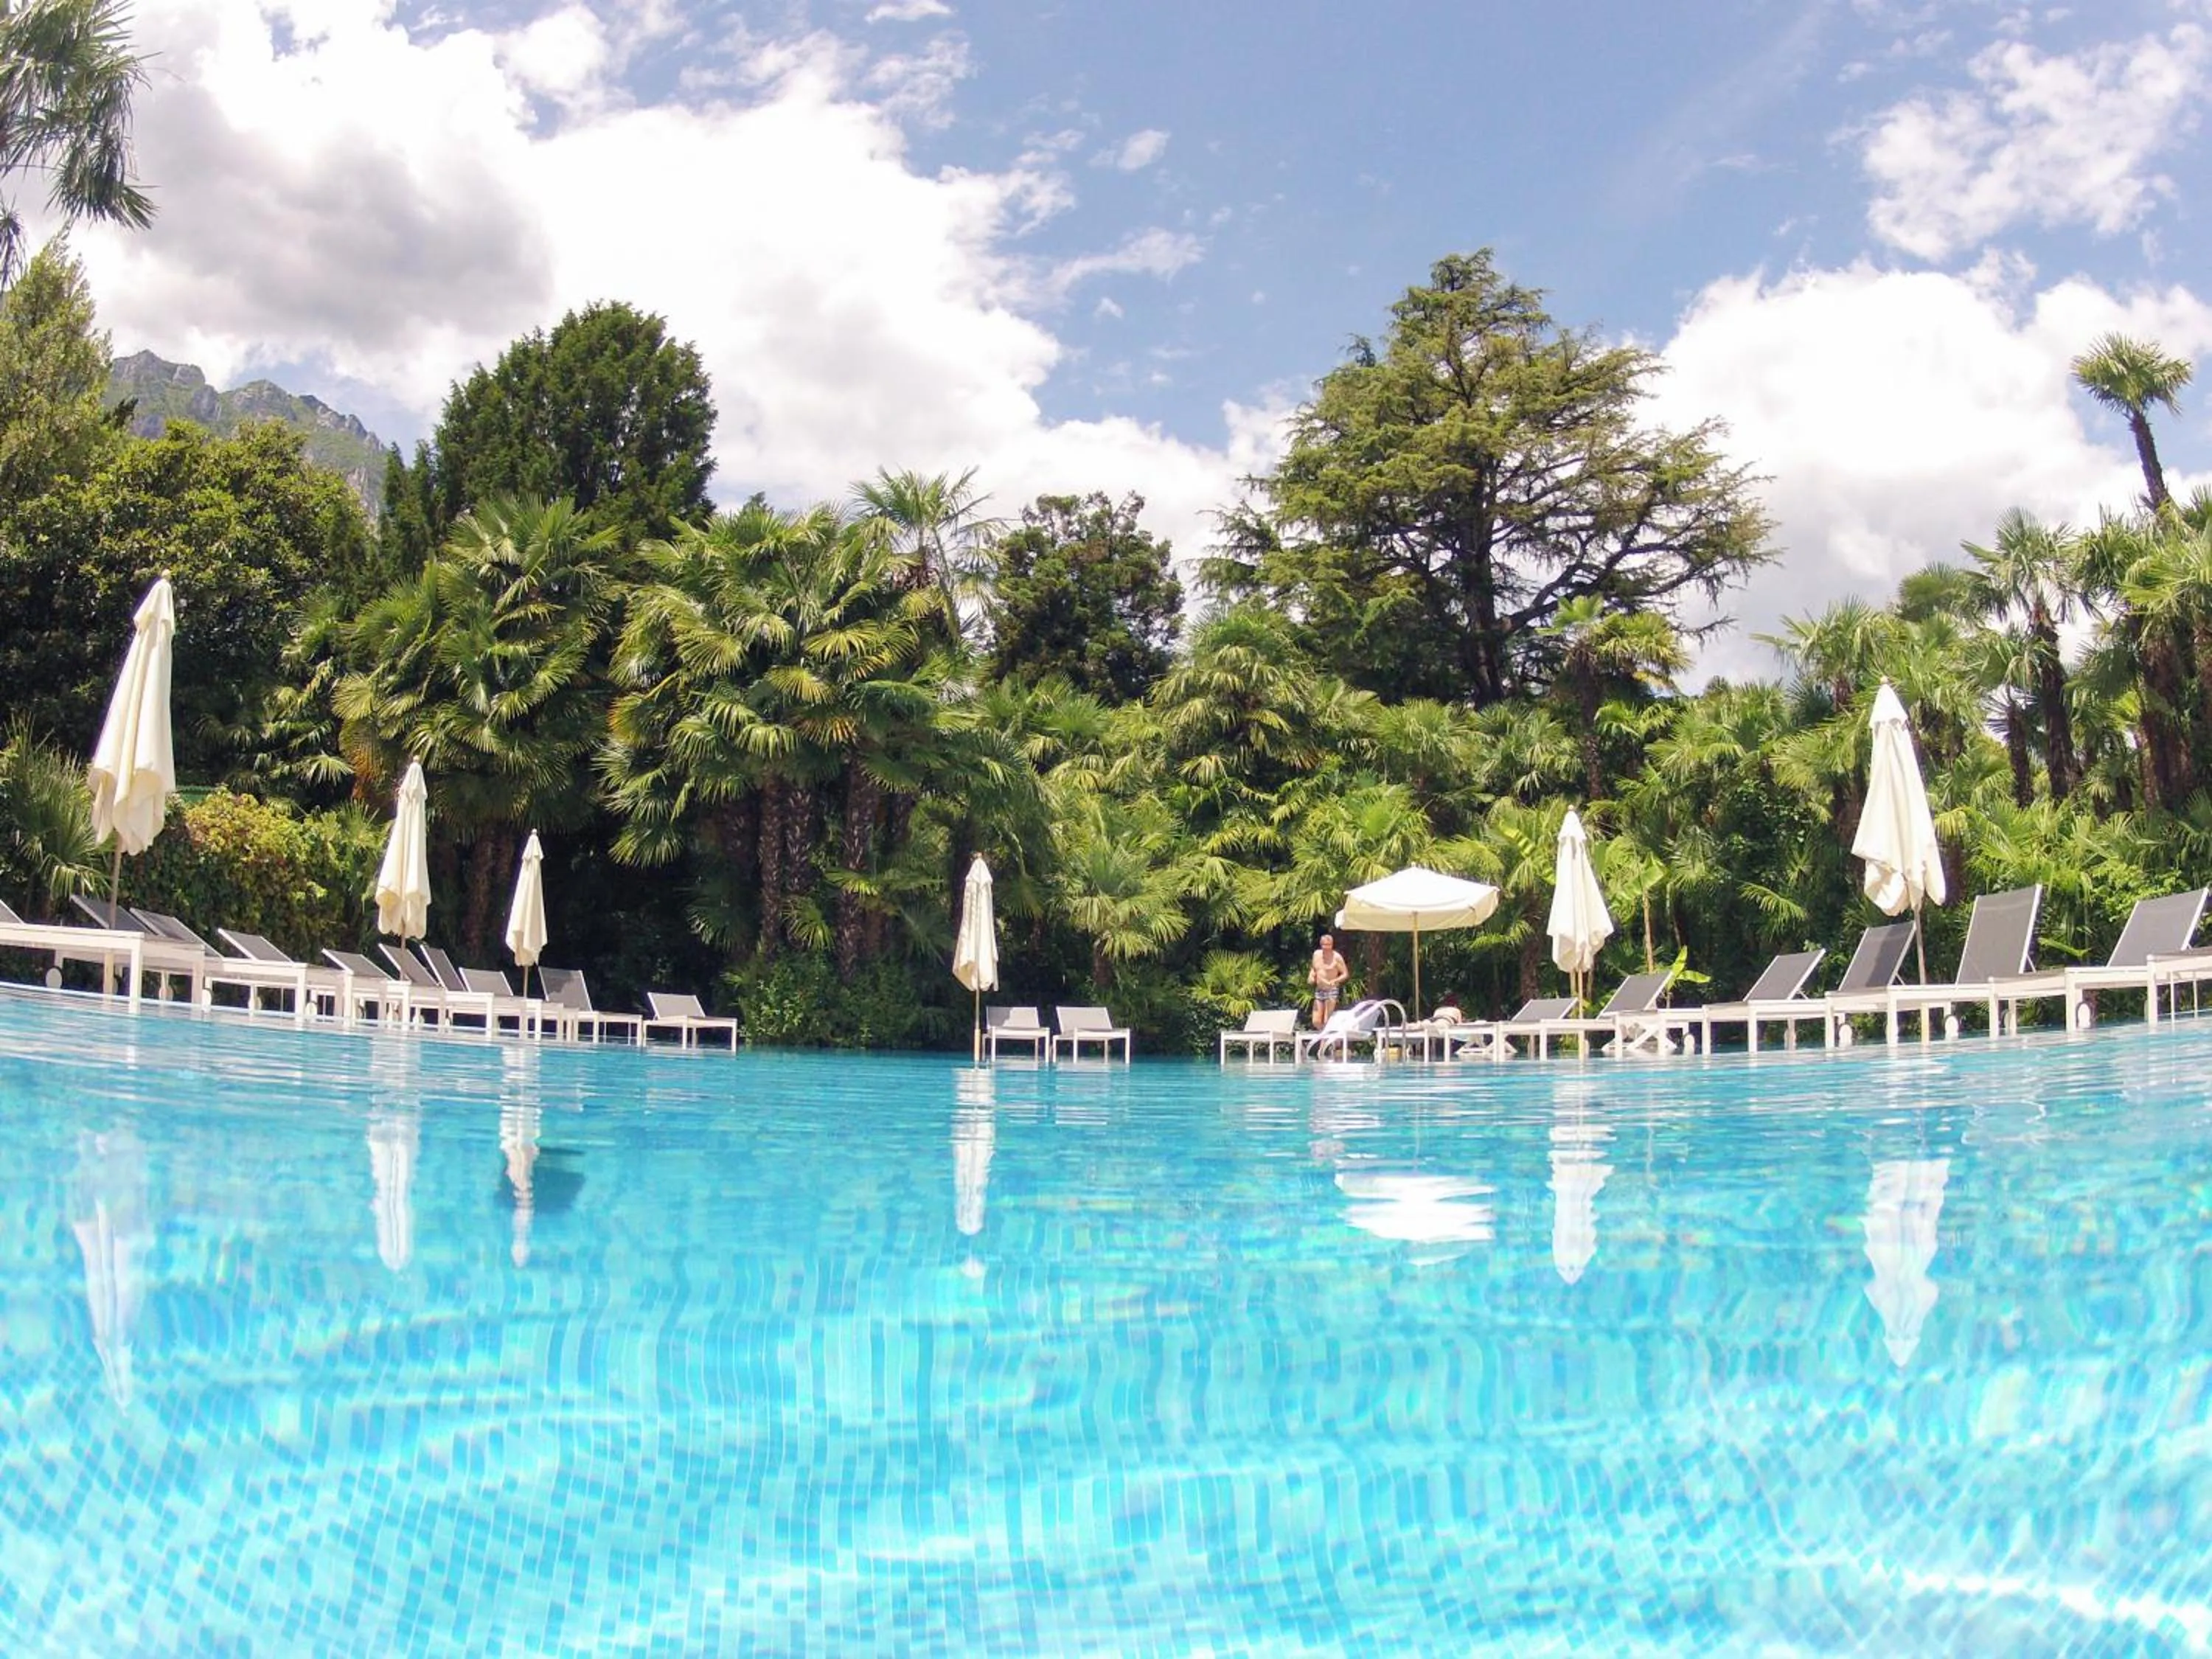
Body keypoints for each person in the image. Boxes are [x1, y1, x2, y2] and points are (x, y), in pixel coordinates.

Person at [1310, 933, 1350, 1028]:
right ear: (1321, 944)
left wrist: (1336, 980)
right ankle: (1330, 1040)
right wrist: (1311, 975)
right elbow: (1314, 968)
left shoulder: (1336, 957)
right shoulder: (1316, 954)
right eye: (1324, 945)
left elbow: (1345, 974)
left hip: (1331, 989)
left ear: (1332, 945)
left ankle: (1324, 1042)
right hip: (1319, 990)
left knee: (1327, 1020)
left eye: (1328, 945)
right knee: (1316, 1021)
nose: (1326, 947)